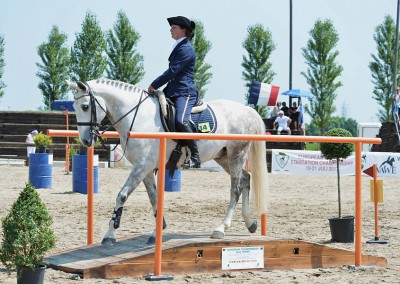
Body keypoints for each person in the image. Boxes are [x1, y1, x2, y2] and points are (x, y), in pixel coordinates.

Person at [148, 16, 201, 168]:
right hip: (173, 90)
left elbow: (173, 71)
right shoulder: (179, 46)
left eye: (174, 27)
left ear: (183, 30)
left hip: (185, 92)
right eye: (171, 27)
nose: (171, 29)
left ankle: (195, 156)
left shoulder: (186, 49)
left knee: (181, 121)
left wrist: (154, 84)